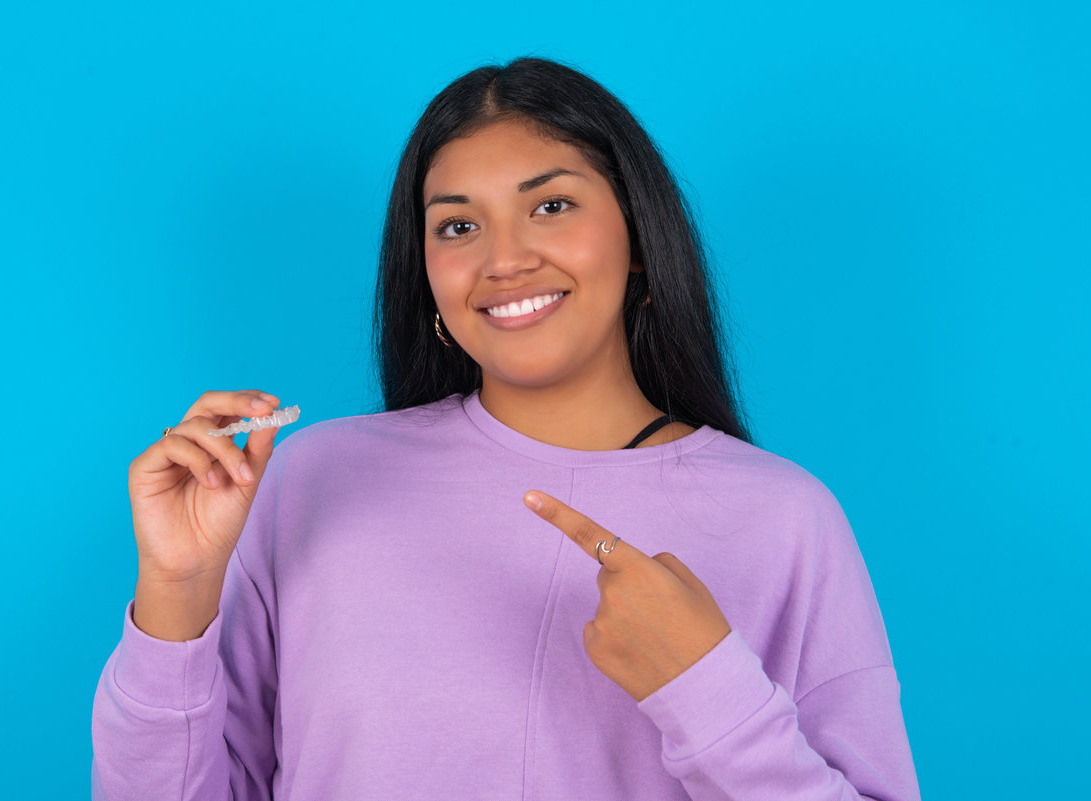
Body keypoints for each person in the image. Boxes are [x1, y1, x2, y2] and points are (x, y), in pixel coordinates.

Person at [91, 57, 921, 800]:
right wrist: (177, 591)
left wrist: (707, 689)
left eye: (551, 205)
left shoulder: (784, 519)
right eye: (458, 225)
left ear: (637, 239)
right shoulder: (314, 481)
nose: (504, 259)